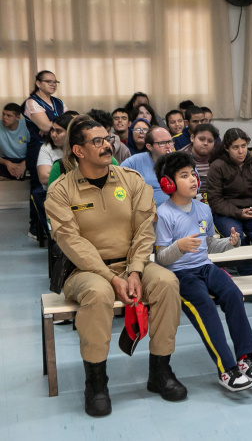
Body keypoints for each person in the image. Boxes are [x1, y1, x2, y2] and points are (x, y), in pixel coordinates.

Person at [45, 118, 185, 416]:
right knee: (98, 294)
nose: (107, 144)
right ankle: (96, 383)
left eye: (107, 138)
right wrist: (110, 277)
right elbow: (72, 242)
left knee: (166, 282)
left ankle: (160, 372)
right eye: (96, 141)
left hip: (131, 263)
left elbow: (145, 228)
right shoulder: (60, 191)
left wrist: (134, 270)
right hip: (82, 270)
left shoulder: (131, 180)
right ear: (78, 151)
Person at [153, 151, 252, 392]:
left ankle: (246, 358)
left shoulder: (203, 209)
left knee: (234, 295)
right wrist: (179, 247)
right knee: (205, 307)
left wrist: (230, 243)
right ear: (168, 183)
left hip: (205, 267)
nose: (193, 179)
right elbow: (161, 258)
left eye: (193, 174)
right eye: (184, 176)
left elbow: (210, 244)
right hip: (181, 274)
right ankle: (226, 369)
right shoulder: (163, 215)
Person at [207, 128, 252, 273]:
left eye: (243, 146)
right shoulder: (217, 166)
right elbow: (215, 200)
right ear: (227, 148)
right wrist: (238, 213)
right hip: (227, 213)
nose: (241, 151)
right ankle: (247, 276)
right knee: (237, 238)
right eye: (235, 147)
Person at [23, 70, 68, 238]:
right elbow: (44, 126)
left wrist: (50, 127)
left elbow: (69, 122)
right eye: (48, 81)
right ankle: (35, 226)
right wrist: (51, 127)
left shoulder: (58, 102)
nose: (52, 84)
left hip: (60, 146)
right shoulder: (31, 102)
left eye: (55, 82)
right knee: (38, 185)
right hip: (40, 147)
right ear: (38, 83)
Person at [120, 126, 175, 207]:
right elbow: (118, 183)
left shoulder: (182, 161)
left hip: (178, 210)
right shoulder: (133, 162)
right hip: (145, 213)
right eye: (162, 143)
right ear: (149, 146)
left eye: (170, 142)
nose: (168, 146)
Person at [180, 123, 218, 195]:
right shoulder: (180, 157)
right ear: (192, 138)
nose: (206, 143)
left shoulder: (218, 157)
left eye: (210, 141)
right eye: (201, 139)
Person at [0, 103, 29, 180]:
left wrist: (25, 163)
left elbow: (34, 149)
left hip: (24, 159)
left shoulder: (27, 126)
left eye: (8, 116)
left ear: (18, 117)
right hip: (5, 159)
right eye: (3, 114)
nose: (4, 117)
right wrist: (7, 163)